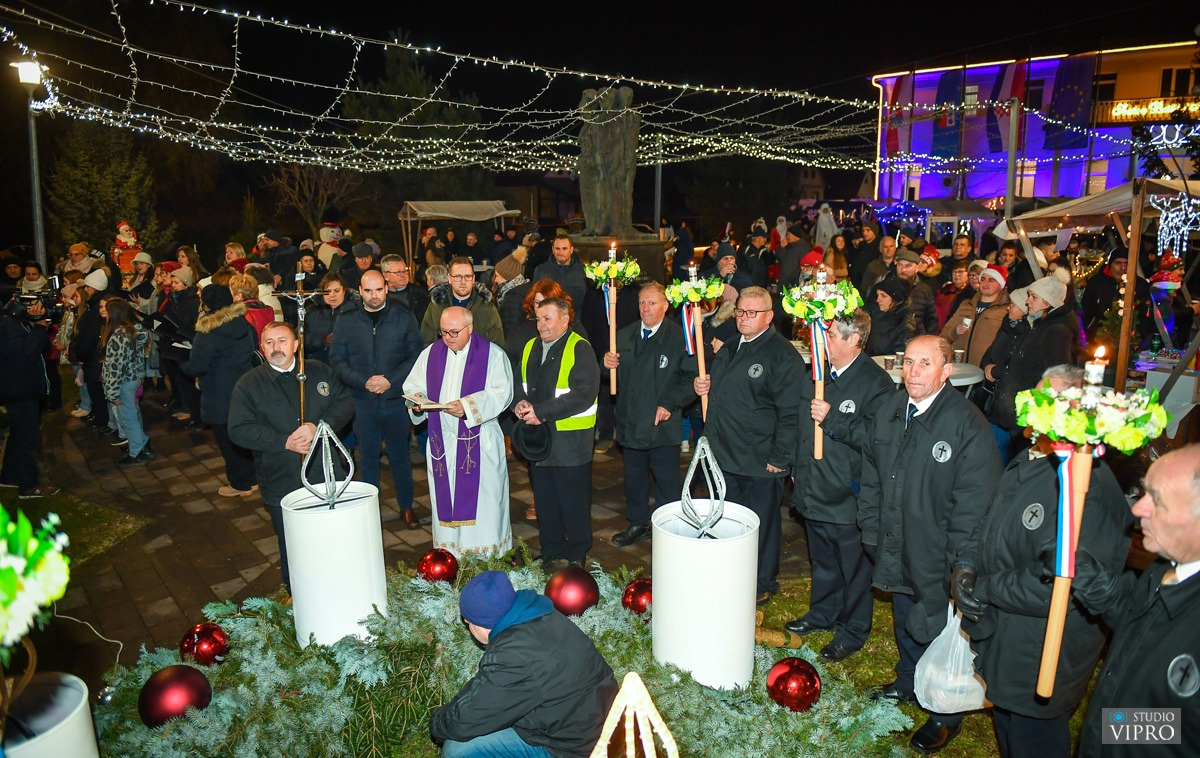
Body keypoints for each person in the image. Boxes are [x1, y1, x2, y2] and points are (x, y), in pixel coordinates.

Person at [952, 365, 1132, 758]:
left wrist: (984, 587)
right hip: (1011, 633)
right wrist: (967, 563)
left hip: (1042, 645)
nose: (1028, 404)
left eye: (1041, 397)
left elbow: (1055, 586)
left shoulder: (1089, 490)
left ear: (1072, 411)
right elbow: (991, 517)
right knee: (1009, 724)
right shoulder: (1037, 455)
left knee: (1033, 737)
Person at [858, 335, 1001, 753]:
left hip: (938, 552)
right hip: (892, 538)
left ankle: (944, 711)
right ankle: (908, 681)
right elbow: (870, 472)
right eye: (909, 362)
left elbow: (974, 502)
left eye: (925, 363)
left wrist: (962, 562)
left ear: (946, 371)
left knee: (940, 627)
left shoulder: (965, 424)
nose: (914, 371)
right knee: (905, 613)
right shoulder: (889, 409)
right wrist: (870, 526)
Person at [1073, 444, 1200, 757]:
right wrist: (1092, 579)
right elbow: (1140, 626)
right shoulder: (1167, 567)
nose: (1137, 509)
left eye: (1156, 500)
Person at [786, 307, 895, 662]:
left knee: (853, 566)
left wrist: (833, 419)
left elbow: (877, 438)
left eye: (830, 335)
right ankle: (822, 612)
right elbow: (801, 426)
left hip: (847, 492)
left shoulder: (875, 384)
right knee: (822, 559)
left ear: (854, 341)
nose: (822, 339)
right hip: (814, 484)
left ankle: (854, 627)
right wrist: (795, 466)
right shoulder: (817, 374)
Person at [429, 570, 618, 756]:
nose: (466, 624)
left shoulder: (514, 656)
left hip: (575, 748)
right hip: (592, 722)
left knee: (459, 749)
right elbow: (485, 687)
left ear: (480, 624)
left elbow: (467, 720)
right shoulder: (540, 616)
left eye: (467, 621)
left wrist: (437, 724)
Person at [693, 286, 803, 605]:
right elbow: (726, 391)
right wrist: (705, 385)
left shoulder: (782, 356)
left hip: (760, 458)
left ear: (768, 317)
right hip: (725, 453)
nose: (744, 318)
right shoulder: (730, 346)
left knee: (762, 523)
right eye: (741, 311)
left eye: (752, 313)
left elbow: (790, 411)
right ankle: (733, 571)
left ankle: (762, 581)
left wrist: (780, 457)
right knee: (728, 518)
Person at [228, 322, 353, 591]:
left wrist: (318, 426)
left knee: (333, 535)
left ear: (296, 344)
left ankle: (341, 586)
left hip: (325, 472)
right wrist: (283, 442)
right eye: (269, 342)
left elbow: (344, 403)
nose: (276, 348)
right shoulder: (248, 384)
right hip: (281, 478)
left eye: (282, 341)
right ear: (261, 347)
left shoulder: (319, 371)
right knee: (292, 542)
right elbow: (238, 430)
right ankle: (296, 592)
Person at [403, 307, 514, 558]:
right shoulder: (430, 354)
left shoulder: (492, 356)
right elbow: (412, 385)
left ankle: (487, 560)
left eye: (454, 332)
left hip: (479, 441)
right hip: (442, 442)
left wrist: (466, 406)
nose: (448, 337)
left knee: (484, 504)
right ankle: (449, 557)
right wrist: (418, 400)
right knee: (446, 500)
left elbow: (501, 393)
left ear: (470, 328)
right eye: (443, 332)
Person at [603, 283, 697, 547]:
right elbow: (610, 375)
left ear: (666, 306)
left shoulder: (679, 338)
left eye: (652, 303)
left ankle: (668, 528)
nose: (646, 308)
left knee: (667, 480)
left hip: (662, 424)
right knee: (634, 478)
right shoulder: (623, 335)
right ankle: (638, 522)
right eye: (642, 303)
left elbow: (691, 378)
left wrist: (669, 403)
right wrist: (606, 364)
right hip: (632, 420)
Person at [330, 270, 425, 529]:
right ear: (360, 291)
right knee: (367, 457)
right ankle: (371, 511)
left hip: (394, 399)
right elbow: (337, 360)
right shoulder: (346, 319)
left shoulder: (402, 316)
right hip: (361, 400)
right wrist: (364, 381)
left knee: (400, 456)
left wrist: (390, 380)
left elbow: (416, 355)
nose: (374, 295)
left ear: (386, 288)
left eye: (378, 290)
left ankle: (407, 506)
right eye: (368, 291)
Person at [512, 297, 600, 570]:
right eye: (538, 319)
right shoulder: (530, 347)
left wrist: (542, 411)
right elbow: (519, 382)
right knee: (545, 499)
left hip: (570, 443)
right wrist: (521, 403)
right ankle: (550, 547)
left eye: (547, 319)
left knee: (572, 501)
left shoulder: (579, 348)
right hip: (539, 442)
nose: (541, 325)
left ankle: (576, 551)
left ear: (565, 319)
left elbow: (583, 394)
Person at [985, 275, 1077, 463]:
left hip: (1024, 417)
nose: (1027, 301)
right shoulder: (1037, 323)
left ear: (1048, 301)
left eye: (1033, 297)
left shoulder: (1056, 330)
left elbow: (1056, 378)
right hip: (1012, 412)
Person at [183, 283, 259, 497]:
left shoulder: (207, 332)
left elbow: (197, 365)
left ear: (206, 304)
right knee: (244, 435)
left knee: (227, 440)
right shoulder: (243, 321)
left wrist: (182, 362)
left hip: (219, 392)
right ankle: (254, 478)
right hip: (244, 386)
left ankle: (240, 484)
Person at [0, 296, 60, 497]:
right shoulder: (8, 327)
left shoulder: (15, 324)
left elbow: (41, 348)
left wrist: (38, 326)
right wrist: (38, 328)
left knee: (18, 433)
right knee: (28, 439)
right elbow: (26, 352)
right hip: (20, 390)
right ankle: (29, 486)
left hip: (20, 389)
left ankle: (8, 477)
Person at [102, 298, 154, 467]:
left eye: (107, 310)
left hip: (123, 383)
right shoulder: (134, 331)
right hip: (134, 380)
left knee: (128, 418)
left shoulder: (118, 336)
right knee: (134, 414)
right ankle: (143, 443)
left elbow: (115, 368)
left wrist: (112, 392)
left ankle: (137, 451)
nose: (104, 312)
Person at [422, 257, 504, 346]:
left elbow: (497, 345)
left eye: (468, 276)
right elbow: (426, 341)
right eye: (458, 277)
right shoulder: (436, 306)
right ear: (449, 278)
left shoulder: (487, 308)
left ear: (473, 279)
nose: (463, 281)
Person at [941, 263, 1010, 367]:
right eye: (983, 279)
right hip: (960, 367)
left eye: (991, 280)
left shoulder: (1006, 309)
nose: (985, 283)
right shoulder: (966, 304)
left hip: (986, 370)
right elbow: (944, 335)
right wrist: (955, 332)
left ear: (1000, 285)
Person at [70, 269, 112, 432]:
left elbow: (91, 335)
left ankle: (103, 420)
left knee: (98, 390)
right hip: (91, 357)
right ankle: (100, 416)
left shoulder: (98, 307)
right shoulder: (94, 305)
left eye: (88, 287)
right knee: (96, 389)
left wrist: (80, 350)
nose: (85, 290)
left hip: (95, 357)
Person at [532, 234, 587, 310]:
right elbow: (535, 299)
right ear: (553, 250)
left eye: (564, 249)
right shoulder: (541, 270)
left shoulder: (583, 270)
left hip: (577, 318)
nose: (561, 252)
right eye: (558, 249)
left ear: (571, 250)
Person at [865, 277, 914, 356]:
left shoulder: (906, 324)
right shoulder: (876, 316)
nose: (878, 300)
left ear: (896, 300)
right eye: (878, 295)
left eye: (883, 296)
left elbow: (901, 355)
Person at [491, 249, 531, 340]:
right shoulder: (521, 291)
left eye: (497, 276)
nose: (495, 280)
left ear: (506, 276)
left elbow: (510, 330)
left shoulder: (513, 298)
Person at [380, 254, 430, 323]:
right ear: (386, 276)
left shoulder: (420, 294)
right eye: (398, 272)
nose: (403, 275)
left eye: (405, 271)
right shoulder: (379, 296)